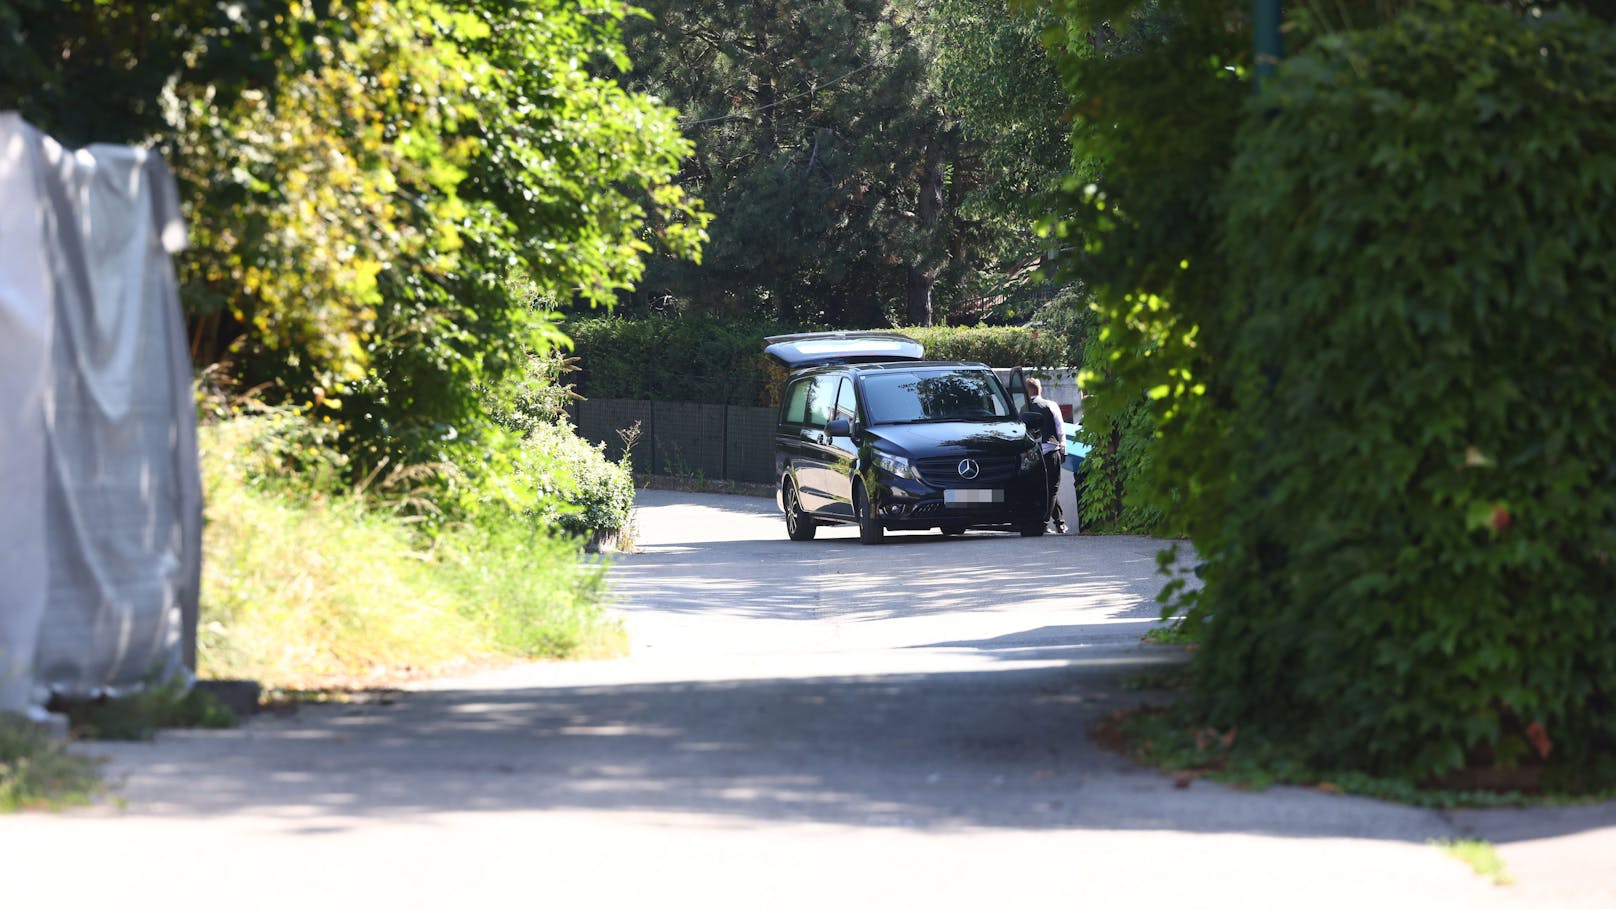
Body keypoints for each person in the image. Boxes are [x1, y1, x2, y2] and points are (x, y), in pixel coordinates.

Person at [1023, 377, 1067, 533]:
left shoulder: (1022, 409)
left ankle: (1059, 521)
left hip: (1032, 454)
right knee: (1052, 488)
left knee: (1042, 488)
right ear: (1039, 389)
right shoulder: (1051, 405)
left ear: (1027, 392)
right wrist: (1063, 448)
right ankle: (1044, 522)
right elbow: (1060, 428)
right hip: (1051, 450)